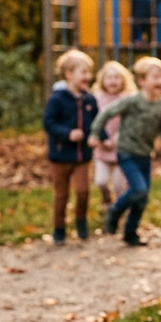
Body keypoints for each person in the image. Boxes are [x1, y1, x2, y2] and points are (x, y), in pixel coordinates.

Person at [89, 57, 161, 247]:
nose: (160, 81)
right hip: (126, 152)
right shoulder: (132, 101)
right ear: (142, 81)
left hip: (146, 154)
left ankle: (130, 233)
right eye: (155, 77)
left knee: (142, 199)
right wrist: (96, 133)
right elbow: (106, 113)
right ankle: (115, 210)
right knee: (138, 189)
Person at [42, 49, 99, 246]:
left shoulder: (89, 100)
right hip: (60, 156)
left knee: (83, 191)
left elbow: (97, 123)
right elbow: (49, 123)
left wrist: (100, 136)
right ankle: (59, 228)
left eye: (89, 72)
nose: (88, 77)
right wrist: (67, 133)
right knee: (62, 194)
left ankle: (81, 222)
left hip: (82, 156)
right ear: (69, 74)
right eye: (83, 72)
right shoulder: (57, 99)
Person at [91, 61, 137, 207]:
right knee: (100, 181)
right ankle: (106, 197)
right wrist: (102, 138)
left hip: (121, 149)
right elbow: (94, 121)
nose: (113, 81)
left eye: (117, 77)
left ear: (124, 80)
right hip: (102, 148)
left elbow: (131, 122)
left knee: (119, 186)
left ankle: (118, 209)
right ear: (102, 81)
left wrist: (120, 137)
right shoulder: (96, 99)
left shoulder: (128, 99)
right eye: (109, 77)